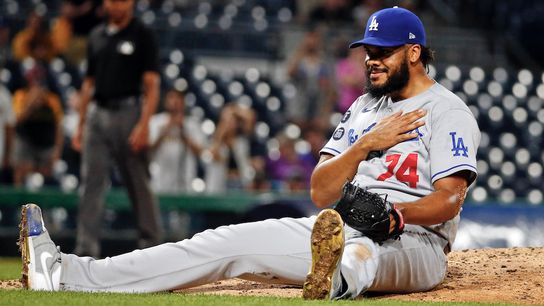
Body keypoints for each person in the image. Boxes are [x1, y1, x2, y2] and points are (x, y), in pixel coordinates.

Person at [19, 7, 480, 300]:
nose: (371, 59)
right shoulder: (364, 108)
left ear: (414, 52)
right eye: (367, 50)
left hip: (414, 243)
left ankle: (335, 281)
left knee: (362, 257)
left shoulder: (447, 110)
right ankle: (64, 273)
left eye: (383, 51)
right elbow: (322, 190)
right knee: (221, 243)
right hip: (337, 227)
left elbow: (448, 201)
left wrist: (395, 215)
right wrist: (364, 146)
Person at [70, 0, 162, 257]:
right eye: (112, 0)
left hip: (129, 112)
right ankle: (85, 250)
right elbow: (88, 84)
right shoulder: (97, 35)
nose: (117, 5)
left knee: (138, 182)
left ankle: (152, 248)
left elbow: (152, 85)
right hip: (97, 114)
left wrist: (144, 125)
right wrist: (80, 125)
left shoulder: (142, 33)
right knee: (91, 183)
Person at [12, 63, 64, 187]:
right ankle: (20, 205)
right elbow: (17, 120)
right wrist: (31, 104)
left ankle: (44, 206)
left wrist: (57, 151)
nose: (36, 83)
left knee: (46, 176)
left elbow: (59, 127)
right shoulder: (21, 95)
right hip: (26, 141)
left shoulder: (52, 99)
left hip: (46, 143)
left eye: (39, 79)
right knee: (22, 171)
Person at [148, 89, 205, 193]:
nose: (175, 101)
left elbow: (200, 152)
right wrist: (166, 129)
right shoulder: (156, 121)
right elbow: (148, 149)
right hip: (160, 178)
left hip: (185, 179)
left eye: (178, 98)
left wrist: (183, 132)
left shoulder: (192, 124)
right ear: (165, 101)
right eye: (171, 97)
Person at [204, 103, 256, 193]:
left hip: (239, 185)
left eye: (233, 120)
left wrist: (234, 110)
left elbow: (251, 117)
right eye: (226, 121)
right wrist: (220, 134)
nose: (230, 124)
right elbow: (212, 155)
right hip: (218, 187)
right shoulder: (215, 142)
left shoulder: (241, 142)